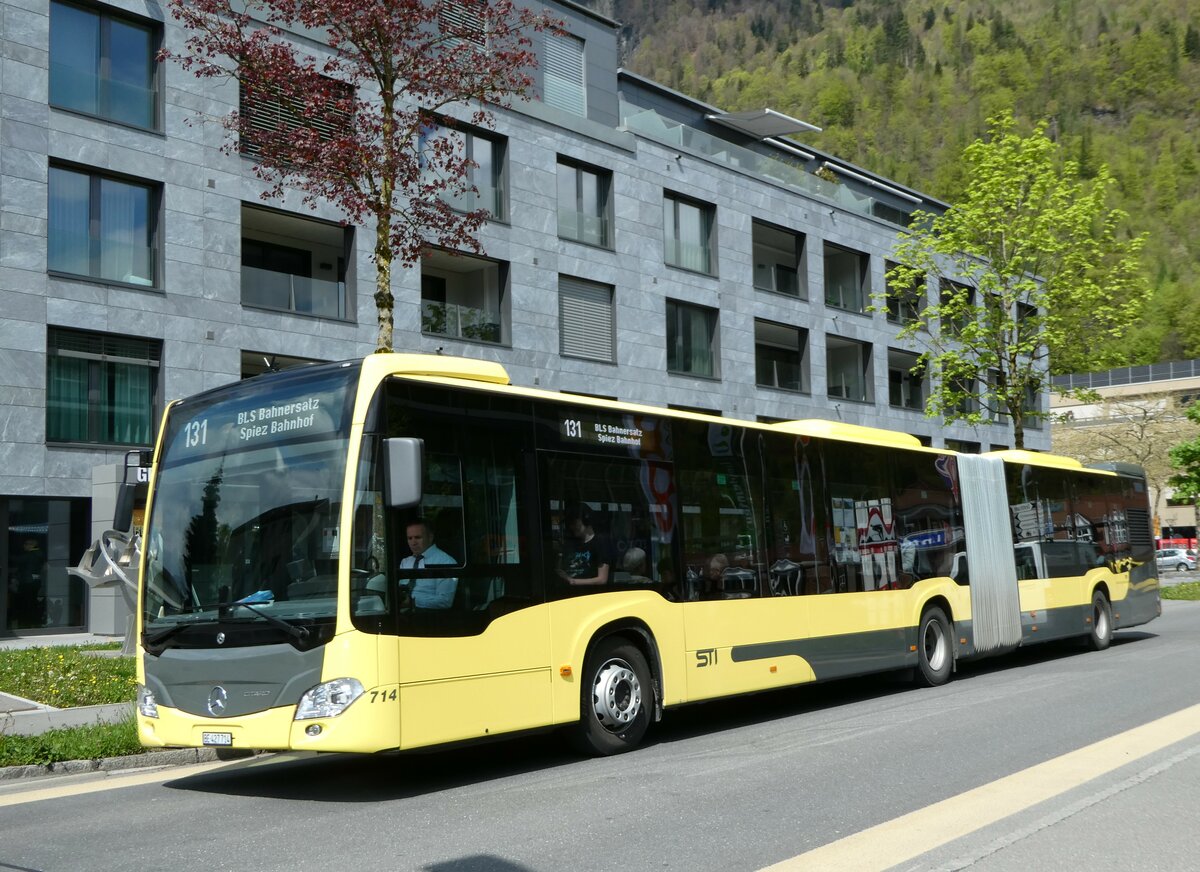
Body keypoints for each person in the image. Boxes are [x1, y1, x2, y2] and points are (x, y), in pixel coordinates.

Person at [399, 518, 457, 609]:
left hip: (429, 616)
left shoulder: (446, 562)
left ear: (430, 537)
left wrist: (413, 602)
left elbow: (445, 601)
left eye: (418, 537)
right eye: (409, 538)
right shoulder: (405, 562)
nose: (413, 543)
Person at [557, 505, 612, 586]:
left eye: (574, 522)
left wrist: (572, 581)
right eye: (570, 523)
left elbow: (602, 579)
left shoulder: (600, 544)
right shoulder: (570, 543)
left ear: (586, 520)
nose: (572, 526)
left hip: (587, 593)